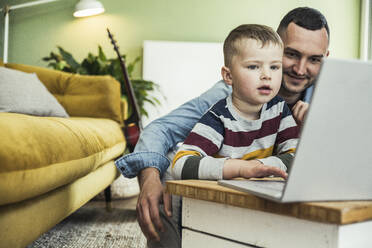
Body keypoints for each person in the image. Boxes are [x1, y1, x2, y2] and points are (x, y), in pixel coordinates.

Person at [115, 6, 329, 245]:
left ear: (326, 59)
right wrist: (150, 179)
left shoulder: (327, 98)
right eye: (291, 54)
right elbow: (161, 129)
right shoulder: (226, 99)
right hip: (212, 178)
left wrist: (317, 132)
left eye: (314, 59)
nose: (300, 69)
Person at [170, 24, 297, 182]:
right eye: (253, 66)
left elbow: (298, 158)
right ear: (228, 76)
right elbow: (180, 164)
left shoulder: (278, 109)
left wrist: (259, 166)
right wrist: (242, 168)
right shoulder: (218, 117)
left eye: (274, 67)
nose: (267, 75)